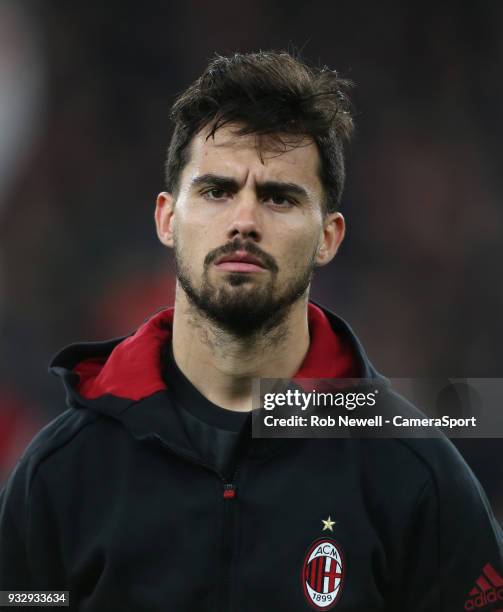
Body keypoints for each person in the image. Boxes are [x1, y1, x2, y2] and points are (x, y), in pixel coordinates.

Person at [0, 51, 501, 612]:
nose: (244, 220)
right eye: (217, 190)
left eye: (279, 197)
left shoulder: (415, 474)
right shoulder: (63, 472)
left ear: (328, 238)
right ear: (167, 218)